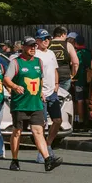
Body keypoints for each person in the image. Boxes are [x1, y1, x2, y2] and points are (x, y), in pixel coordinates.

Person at [5, 38, 63, 171]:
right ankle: (14, 160)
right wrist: (15, 86)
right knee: (17, 132)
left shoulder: (39, 62)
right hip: (20, 104)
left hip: (35, 103)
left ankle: (47, 160)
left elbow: (39, 79)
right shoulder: (16, 62)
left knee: (38, 131)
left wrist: (41, 92)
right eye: (30, 46)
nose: (33, 48)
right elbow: (6, 79)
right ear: (24, 47)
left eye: (34, 46)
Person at [36, 29, 63, 159]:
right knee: (42, 124)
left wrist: (57, 84)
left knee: (57, 120)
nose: (46, 41)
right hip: (40, 93)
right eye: (43, 38)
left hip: (52, 92)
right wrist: (39, 91)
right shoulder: (35, 54)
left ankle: (47, 145)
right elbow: (35, 75)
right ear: (37, 40)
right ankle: (42, 153)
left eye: (48, 38)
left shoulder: (51, 53)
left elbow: (55, 69)